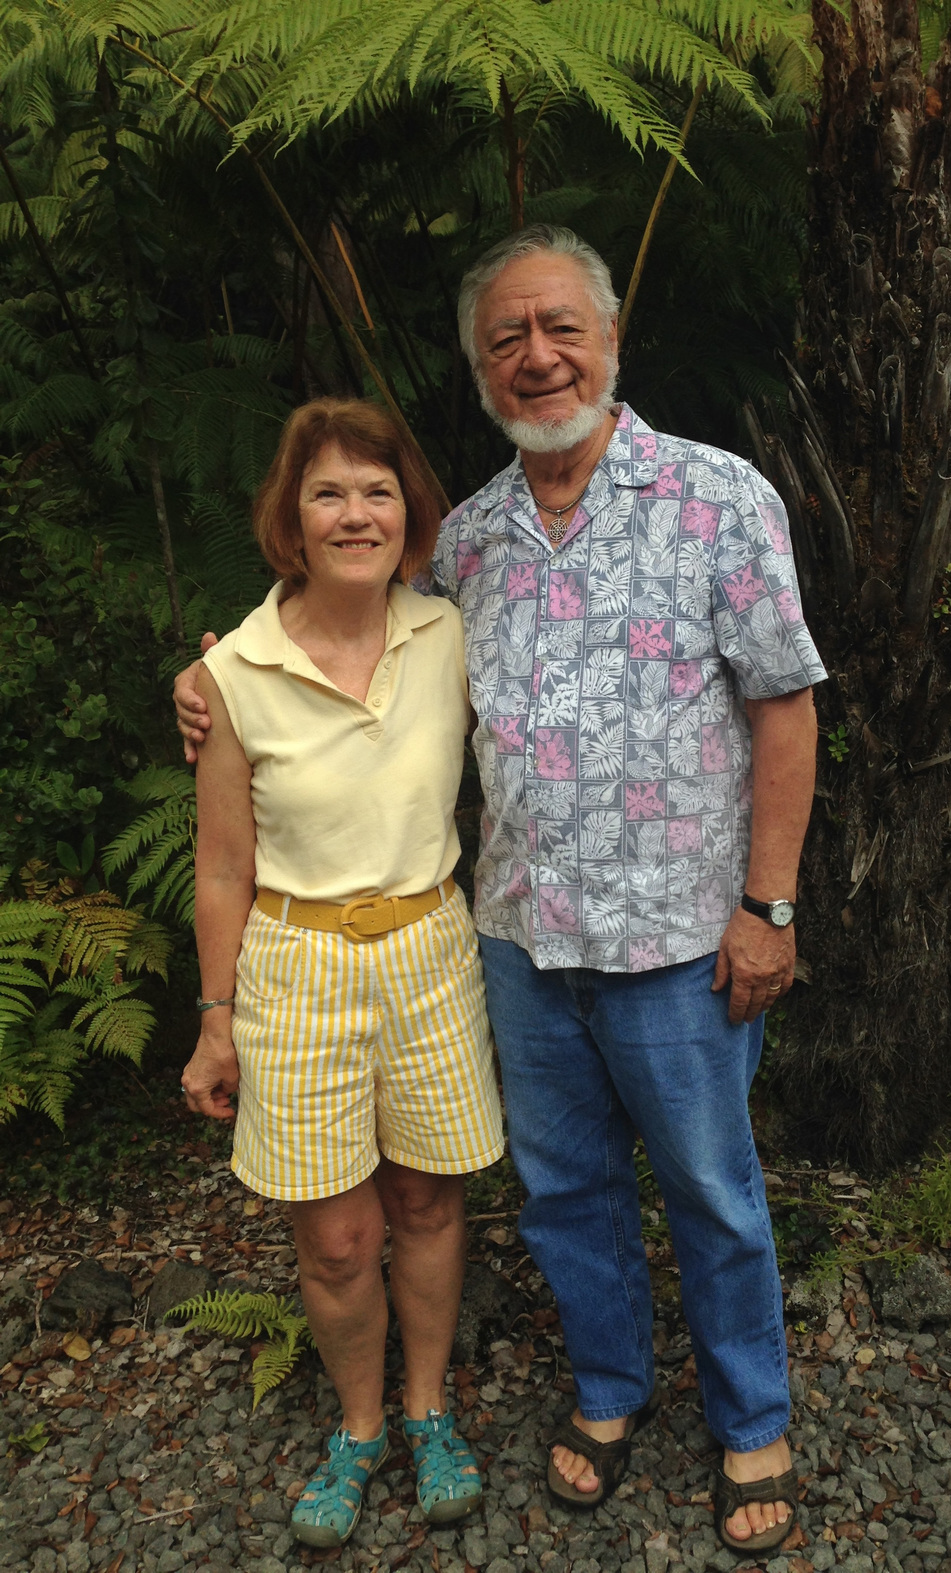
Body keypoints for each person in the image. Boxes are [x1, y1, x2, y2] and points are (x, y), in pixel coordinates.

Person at [177, 226, 824, 1555]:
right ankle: (610, 1390)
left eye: (560, 327)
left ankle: (753, 1419)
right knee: (565, 1194)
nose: (538, 358)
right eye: (506, 340)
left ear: (610, 339)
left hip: (680, 943)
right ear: (481, 371)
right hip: (520, 948)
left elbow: (785, 703)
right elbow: (342, 611)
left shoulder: (719, 498)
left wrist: (770, 907)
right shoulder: (465, 542)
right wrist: (210, 675)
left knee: (712, 1192)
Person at [179, 398, 504, 1551]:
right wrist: (214, 1020)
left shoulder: (450, 635)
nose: (356, 513)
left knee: (426, 1201)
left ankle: (426, 1410)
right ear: (292, 517)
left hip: (429, 949)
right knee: (335, 1238)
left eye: (377, 489)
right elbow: (223, 867)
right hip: (297, 963)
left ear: (408, 509)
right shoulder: (235, 672)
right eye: (329, 492)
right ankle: (358, 1426)